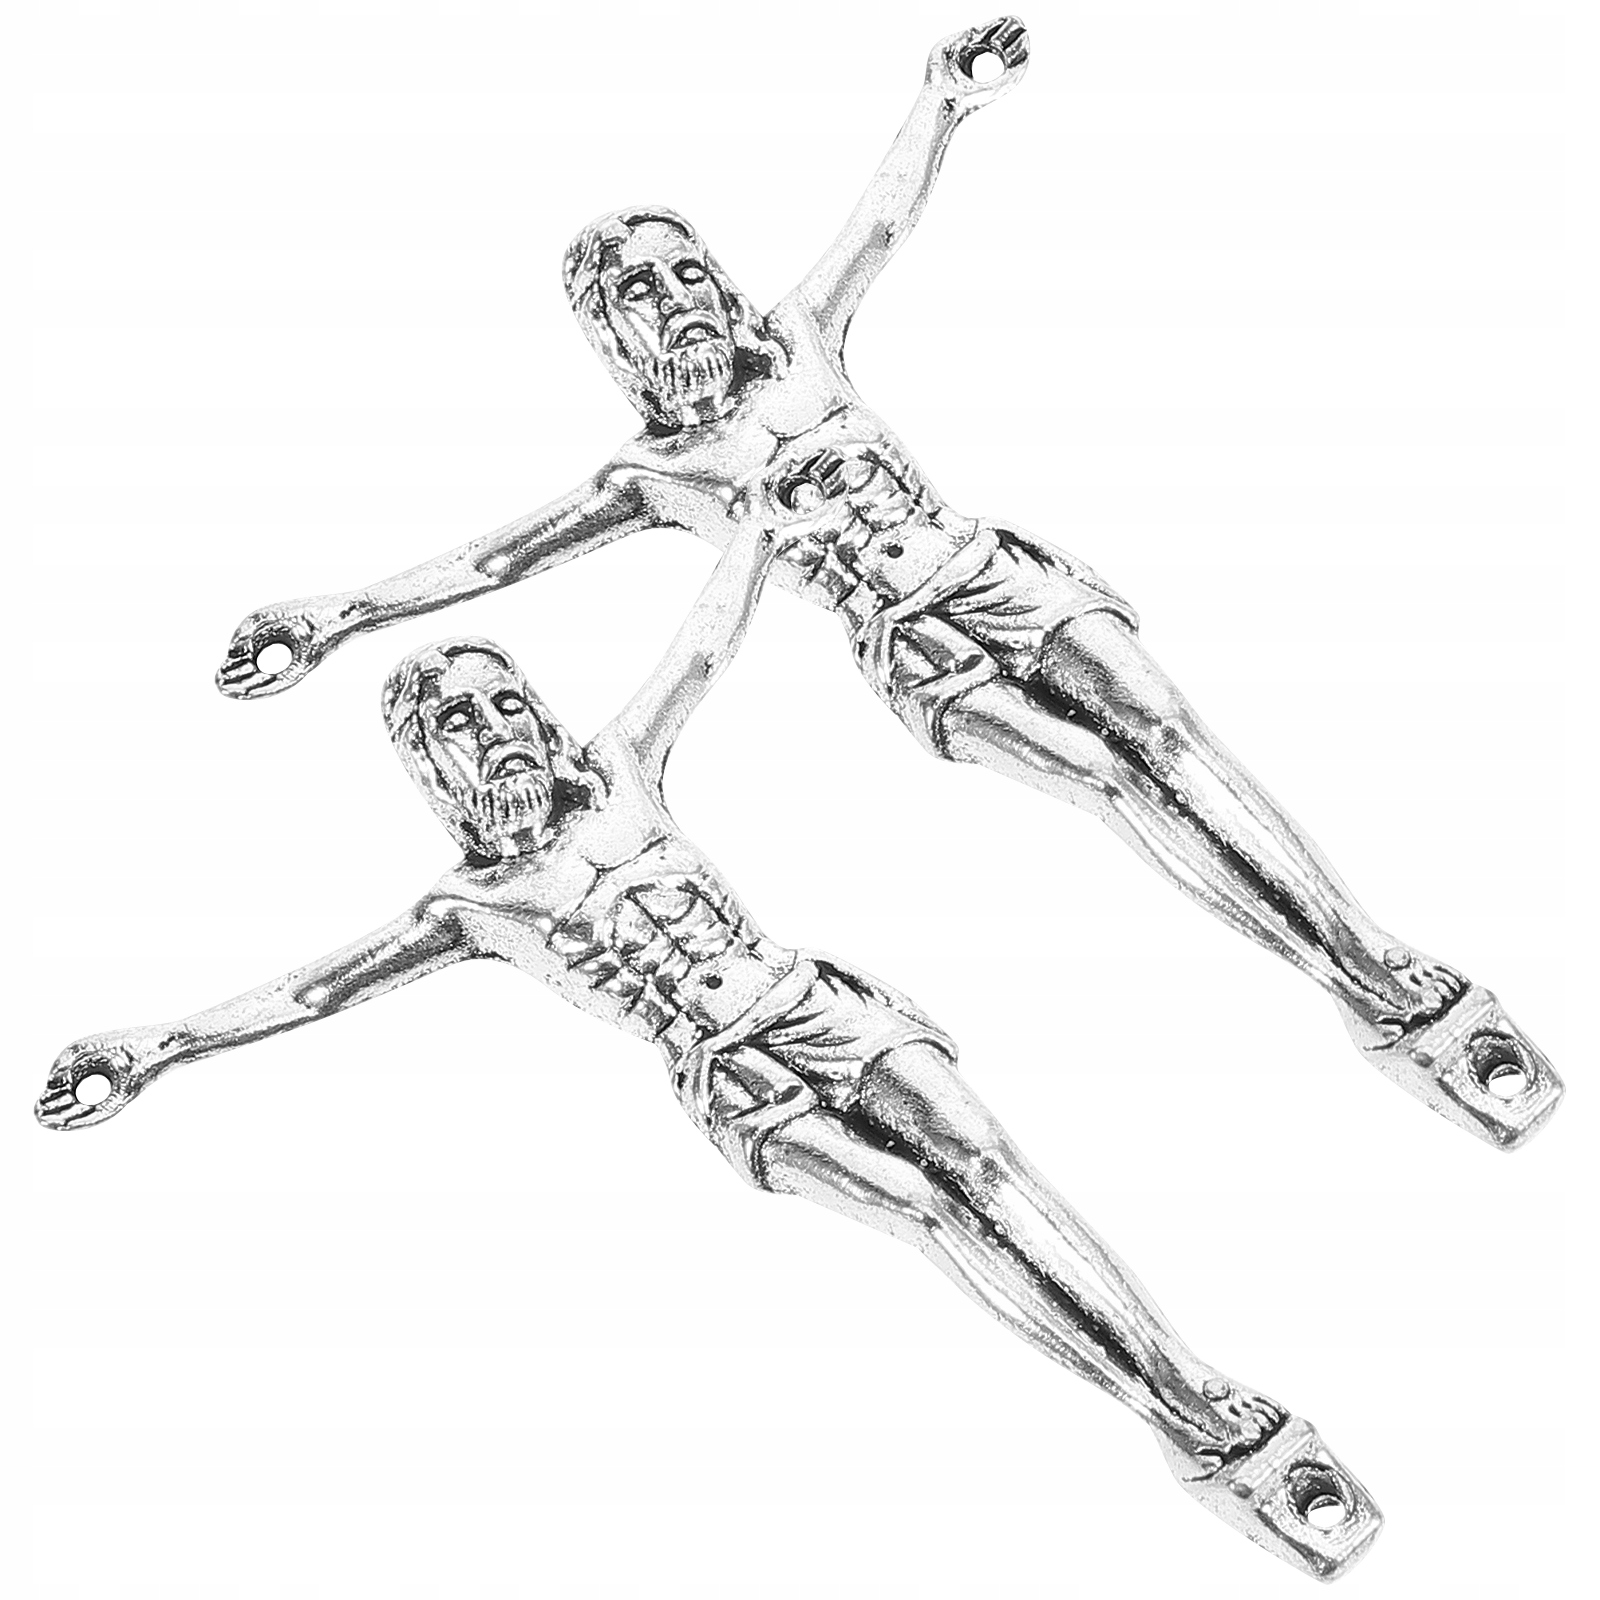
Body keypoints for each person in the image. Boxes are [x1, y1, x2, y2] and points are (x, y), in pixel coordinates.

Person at [207, 18, 1558, 1149]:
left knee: (1172, 740)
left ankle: (1380, 977)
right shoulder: (653, 475)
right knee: (1104, 779)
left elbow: (883, 218)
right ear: (616, 341)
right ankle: (1373, 1001)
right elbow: (497, 559)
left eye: (687, 271)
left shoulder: (800, 347)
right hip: (921, 649)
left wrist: (941, 103)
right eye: (643, 296)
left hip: (991, 571)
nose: (681, 300)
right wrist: (342, 615)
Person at [40, 513, 1377, 1580]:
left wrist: (751, 525)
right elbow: (315, 992)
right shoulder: (476, 909)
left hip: (813, 1004)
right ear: (432, 773)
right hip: (736, 1075)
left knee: (992, 1171)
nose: (495, 733)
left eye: (503, 705)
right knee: (927, 1209)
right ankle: (1184, 1418)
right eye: (458, 728)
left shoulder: (622, 776)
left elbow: (703, 644)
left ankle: (1201, 1391)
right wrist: (153, 1046)